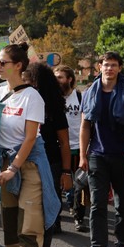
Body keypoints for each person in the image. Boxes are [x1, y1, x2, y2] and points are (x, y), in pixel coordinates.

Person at [0, 44, 60, 247]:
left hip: (28, 166)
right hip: (6, 167)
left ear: (18, 66)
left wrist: (14, 168)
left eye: (2, 62)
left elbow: (31, 137)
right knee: (10, 227)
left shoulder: (32, 97)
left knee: (29, 230)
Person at [78, 52, 124, 247]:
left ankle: (123, 245)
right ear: (100, 67)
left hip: (122, 156)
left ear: (120, 68)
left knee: (123, 203)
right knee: (97, 205)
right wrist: (82, 155)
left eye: (114, 65)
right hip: (97, 155)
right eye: (106, 65)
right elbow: (85, 126)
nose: (109, 69)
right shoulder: (89, 94)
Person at [26, 61, 72, 247]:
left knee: (47, 211)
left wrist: (66, 172)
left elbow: (64, 143)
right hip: (25, 163)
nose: (25, 84)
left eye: (29, 80)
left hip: (51, 165)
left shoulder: (53, 108)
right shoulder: (23, 102)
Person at [55, 65, 85, 231]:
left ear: (70, 79)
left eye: (60, 77)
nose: (57, 81)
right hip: (58, 148)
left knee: (79, 186)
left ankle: (79, 217)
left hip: (77, 147)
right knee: (56, 186)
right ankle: (56, 220)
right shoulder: (51, 98)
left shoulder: (80, 97)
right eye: (55, 77)